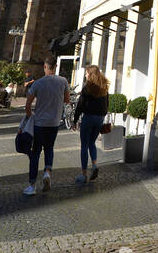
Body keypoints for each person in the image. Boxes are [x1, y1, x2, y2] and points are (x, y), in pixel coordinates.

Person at [22, 59, 69, 196]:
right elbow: (67, 100)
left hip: (39, 123)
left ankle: (32, 185)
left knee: (35, 152)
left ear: (44, 66)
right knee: (49, 148)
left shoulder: (37, 83)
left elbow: (28, 104)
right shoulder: (63, 81)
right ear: (56, 66)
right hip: (54, 122)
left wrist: (31, 117)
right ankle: (47, 173)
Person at [73, 65, 110, 185]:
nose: (85, 75)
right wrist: (102, 116)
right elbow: (107, 104)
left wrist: (75, 119)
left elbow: (80, 105)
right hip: (99, 119)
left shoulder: (87, 88)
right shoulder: (104, 87)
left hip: (88, 118)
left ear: (91, 74)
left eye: (86, 73)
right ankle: (94, 165)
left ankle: (83, 174)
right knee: (92, 143)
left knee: (84, 145)